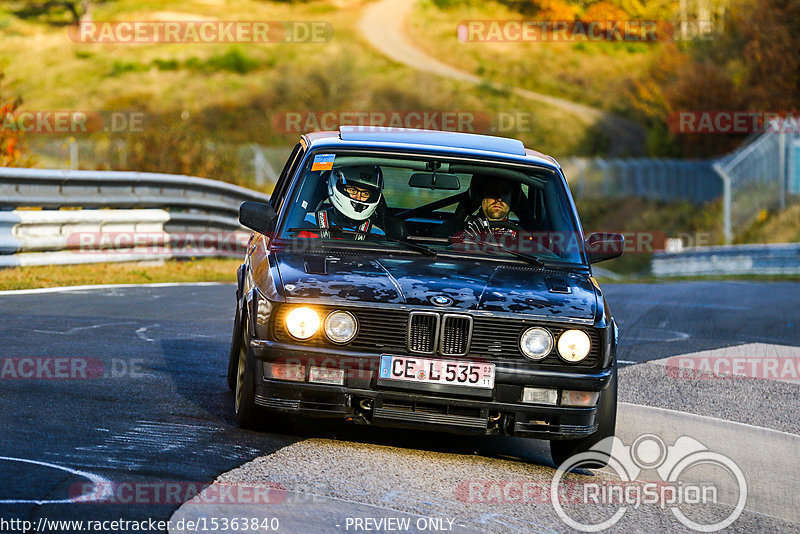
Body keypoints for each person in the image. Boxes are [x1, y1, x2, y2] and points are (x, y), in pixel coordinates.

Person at [302, 165, 405, 240]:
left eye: (365, 193)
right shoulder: (306, 222)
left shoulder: (376, 234)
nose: (358, 197)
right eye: (352, 190)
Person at [461, 177, 520, 242]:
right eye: (493, 192)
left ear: (512, 200)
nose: (499, 199)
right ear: (481, 197)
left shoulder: (521, 235)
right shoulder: (462, 231)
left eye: (505, 193)